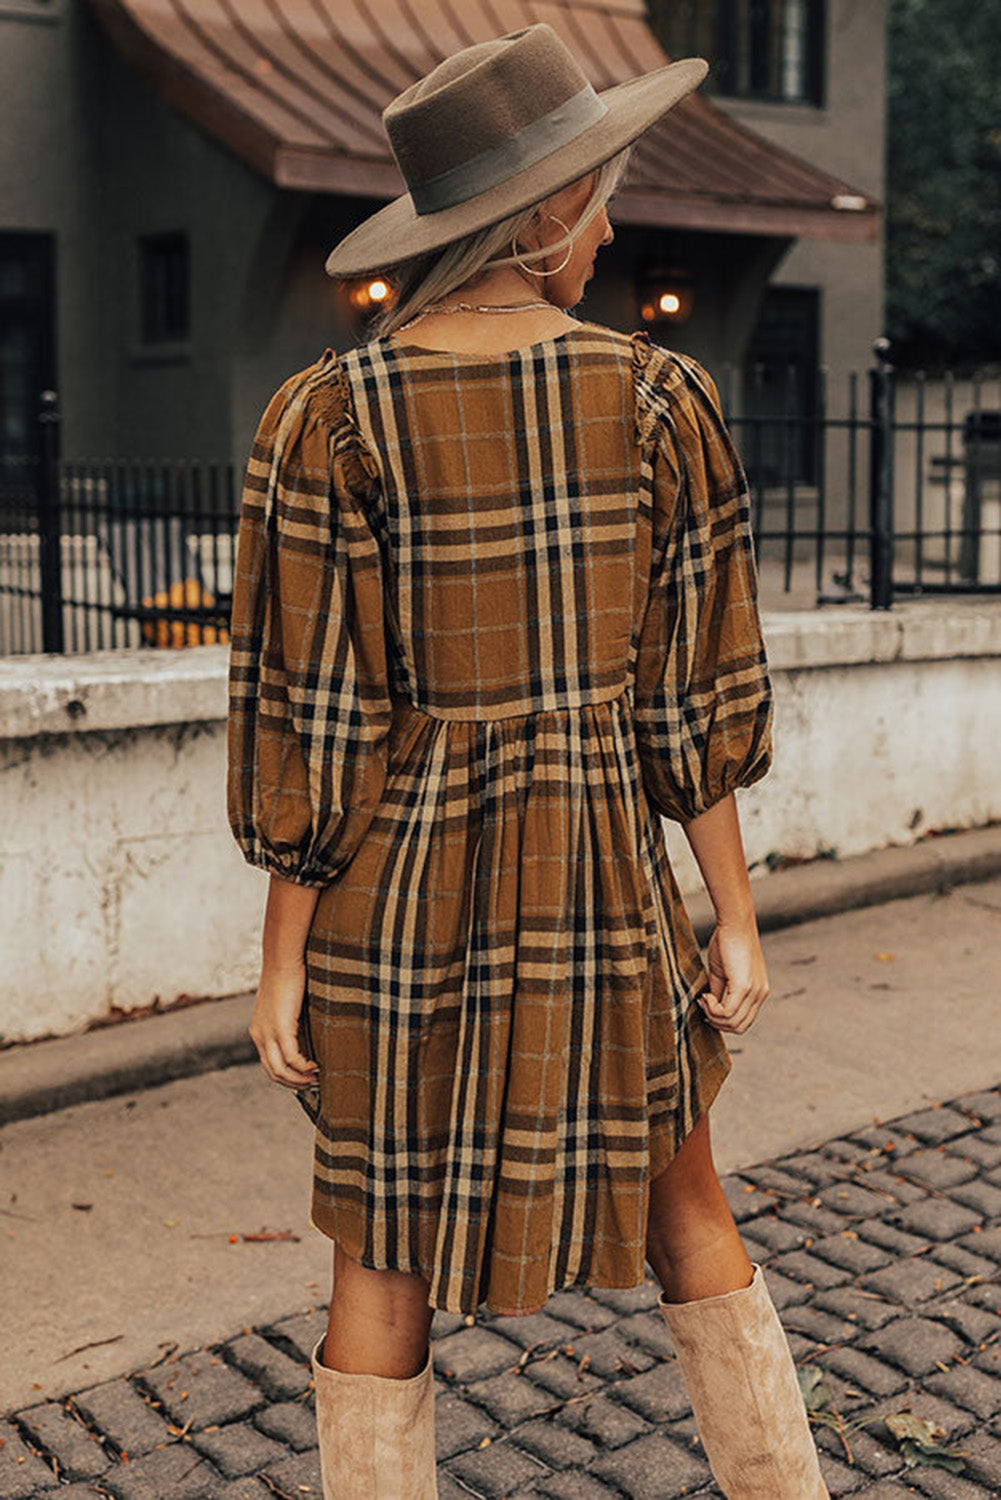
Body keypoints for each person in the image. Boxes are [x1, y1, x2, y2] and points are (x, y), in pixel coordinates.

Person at [226, 22, 828, 1500]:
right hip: (597, 894)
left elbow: (307, 717)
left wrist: (280, 959)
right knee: (687, 1201)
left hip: (391, 903)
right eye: (599, 189)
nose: (611, 220)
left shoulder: (324, 416)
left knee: (377, 1257)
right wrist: (731, 913)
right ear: (543, 210)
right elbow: (693, 705)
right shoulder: (657, 402)